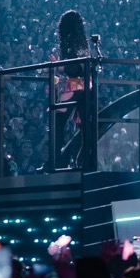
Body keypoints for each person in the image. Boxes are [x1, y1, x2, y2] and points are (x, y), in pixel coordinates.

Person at [54, 9, 91, 168]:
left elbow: (73, 68)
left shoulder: (68, 41)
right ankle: (85, 159)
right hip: (86, 84)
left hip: (75, 84)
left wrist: (58, 67)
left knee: (58, 121)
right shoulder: (82, 42)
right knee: (85, 125)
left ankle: (56, 161)